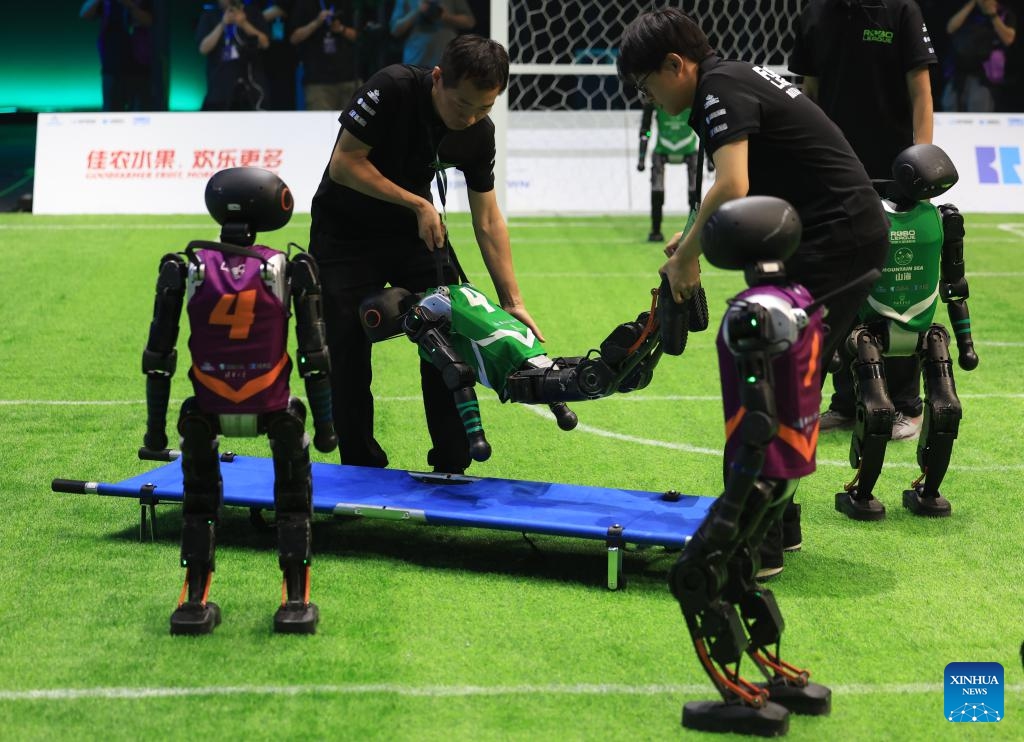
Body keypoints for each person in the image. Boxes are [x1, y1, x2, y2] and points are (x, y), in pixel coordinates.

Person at [617, 8, 890, 576]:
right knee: (779, 376)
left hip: (836, 241)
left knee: (767, 379)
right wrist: (690, 236)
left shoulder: (717, 89)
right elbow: (734, 186)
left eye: (647, 85)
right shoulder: (729, 79)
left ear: (675, 65)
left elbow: (734, 183)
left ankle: (754, 542)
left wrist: (688, 259)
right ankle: (776, 529)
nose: (649, 98)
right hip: (830, 237)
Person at [307, 34, 543, 475]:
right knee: (347, 348)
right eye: (463, 105)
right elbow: (345, 163)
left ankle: (451, 463)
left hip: (413, 234)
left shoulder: (478, 134)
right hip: (345, 232)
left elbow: (488, 218)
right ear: (438, 79)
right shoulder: (392, 87)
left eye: (485, 108)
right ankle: (360, 467)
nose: (471, 117)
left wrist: (512, 303)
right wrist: (418, 203)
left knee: (449, 325)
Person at [790, 0, 938, 442]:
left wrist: (921, 165)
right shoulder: (815, 15)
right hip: (835, 177)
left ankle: (907, 405)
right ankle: (849, 401)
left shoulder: (901, 11)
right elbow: (808, 98)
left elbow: (922, 92)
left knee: (899, 288)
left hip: (896, 175)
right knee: (842, 290)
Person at [637, 102, 700, 242]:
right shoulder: (654, 100)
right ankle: (655, 230)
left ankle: (692, 231)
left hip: (689, 148)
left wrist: (708, 159)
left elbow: (705, 129)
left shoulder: (693, 99)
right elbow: (645, 131)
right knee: (657, 190)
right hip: (662, 149)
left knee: (694, 191)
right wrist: (641, 157)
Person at [79, 0, 156, 112]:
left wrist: (129, 5)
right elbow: (84, 14)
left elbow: (149, 21)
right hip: (112, 64)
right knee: (112, 111)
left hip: (139, 63)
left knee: (140, 112)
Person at [196, 0, 271, 110]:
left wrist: (244, 24)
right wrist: (222, 24)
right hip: (219, 90)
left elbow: (265, 43)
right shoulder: (210, 15)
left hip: (251, 88)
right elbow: (203, 49)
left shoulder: (253, 14)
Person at [944, 0, 1017, 111]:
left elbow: (1008, 39)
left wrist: (992, 15)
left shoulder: (1004, 13)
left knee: (979, 112)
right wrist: (971, 4)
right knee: (950, 108)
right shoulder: (968, 11)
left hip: (985, 77)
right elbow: (950, 28)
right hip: (957, 74)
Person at [289, 0, 361, 110]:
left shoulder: (348, 3)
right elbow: (294, 38)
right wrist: (316, 23)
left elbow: (361, 37)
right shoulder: (304, 4)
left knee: (353, 125)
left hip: (349, 79)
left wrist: (341, 29)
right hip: (318, 82)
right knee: (319, 125)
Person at [389, 0, 475, 67]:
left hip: (446, 61)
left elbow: (470, 22)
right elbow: (395, 30)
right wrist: (418, 11)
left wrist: (446, 17)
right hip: (415, 62)